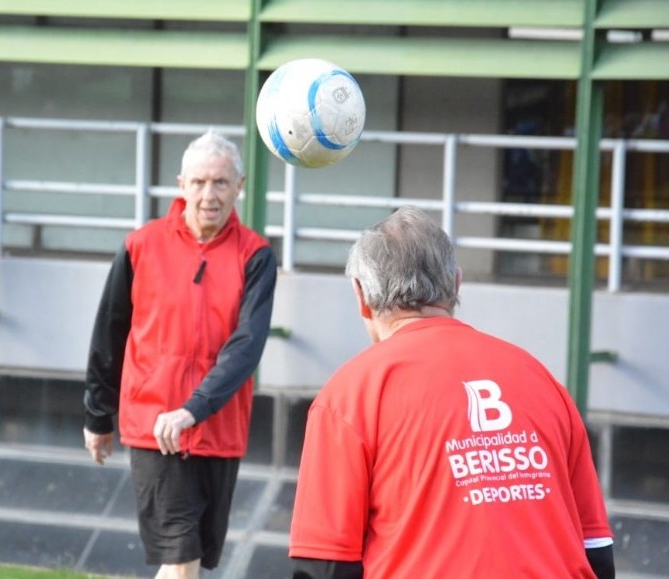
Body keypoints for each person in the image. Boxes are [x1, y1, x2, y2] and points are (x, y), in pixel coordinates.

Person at [289, 206, 615, 578]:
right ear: (456, 284)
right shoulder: (541, 379)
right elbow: (596, 548)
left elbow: (324, 565)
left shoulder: (350, 396)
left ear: (361, 294)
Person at [83, 132, 277, 579]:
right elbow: (109, 333)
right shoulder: (140, 246)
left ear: (240, 186)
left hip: (219, 429)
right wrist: (97, 414)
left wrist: (195, 410)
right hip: (155, 427)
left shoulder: (257, 256)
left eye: (221, 183)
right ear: (181, 185)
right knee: (181, 559)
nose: (209, 195)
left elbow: (247, 345)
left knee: (190, 561)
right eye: (199, 182)